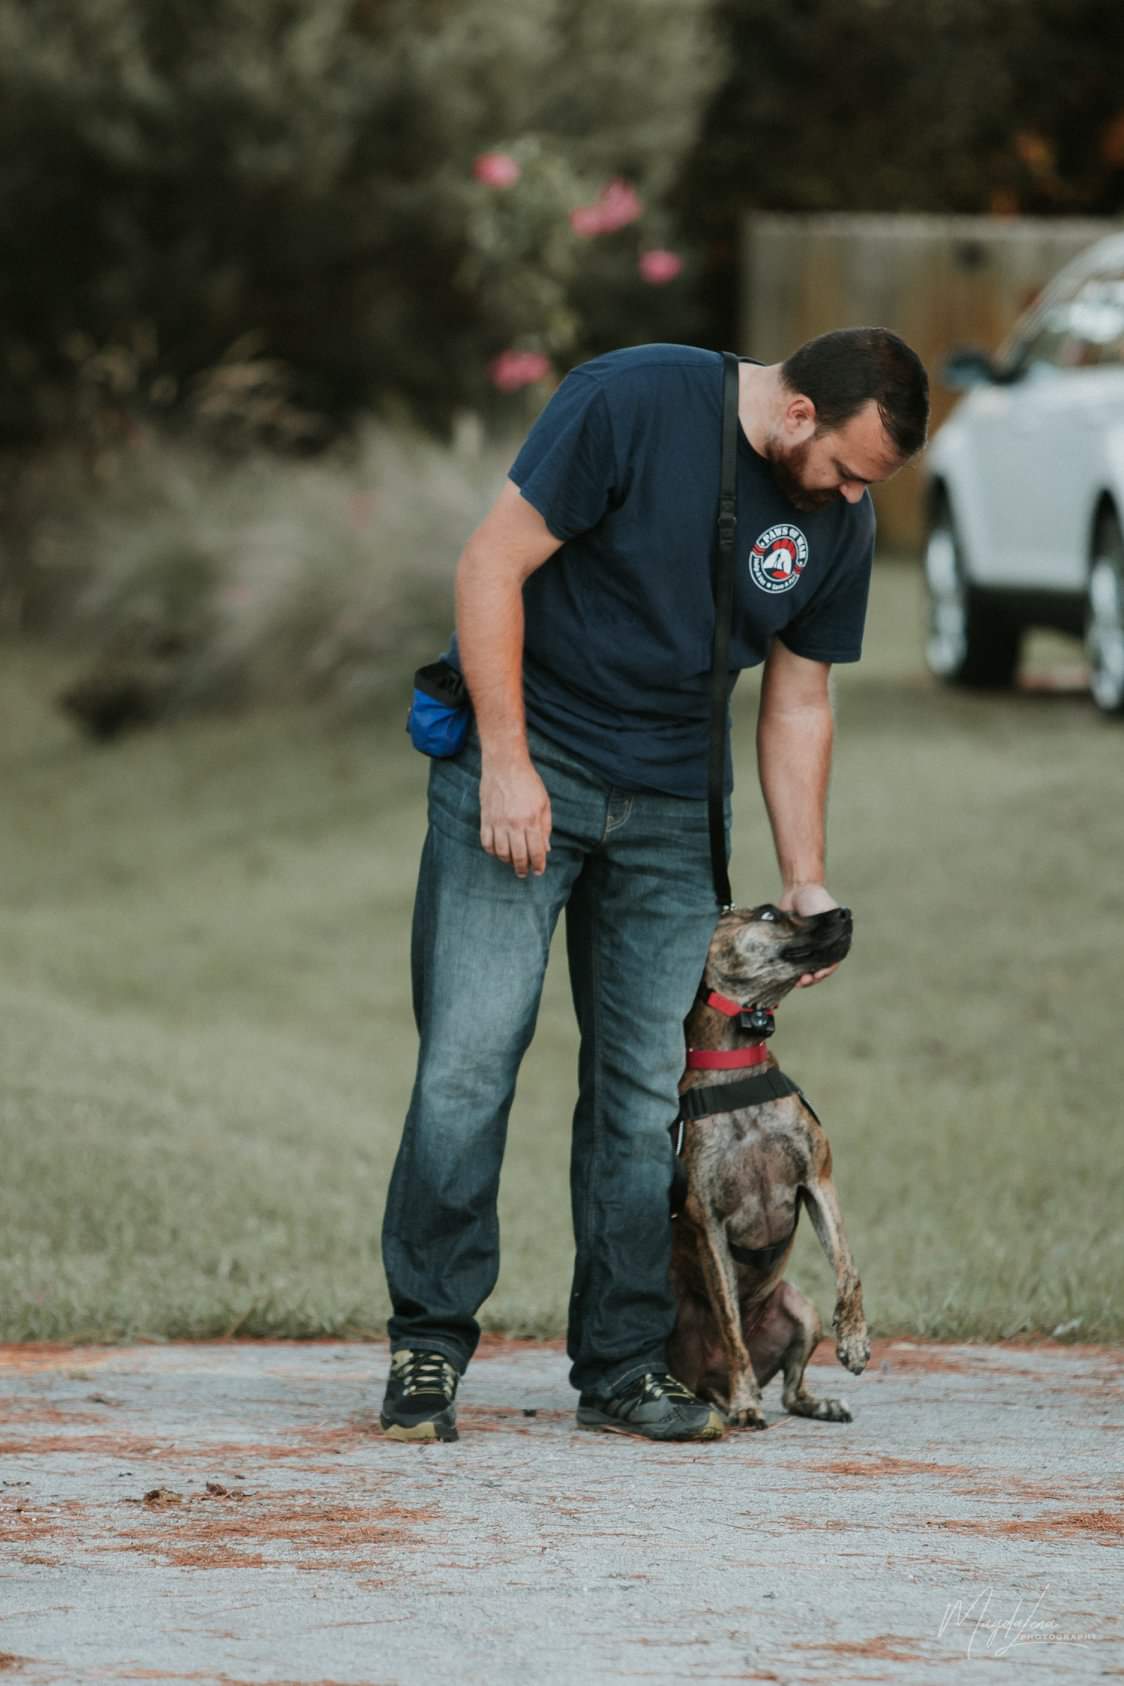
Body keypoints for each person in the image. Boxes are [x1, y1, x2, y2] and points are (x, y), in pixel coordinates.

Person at [380, 330, 929, 1443]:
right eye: (845, 469)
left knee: (640, 1099)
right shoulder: (628, 401)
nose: (852, 497)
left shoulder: (841, 520)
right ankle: (428, 1342)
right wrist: (506, 762)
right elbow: (490, 566)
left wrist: (805, 880)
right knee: (468, 1066)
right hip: (531, 757)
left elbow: (797, 701)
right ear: (797, 415)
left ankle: (624, 1364)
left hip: (674, 802)